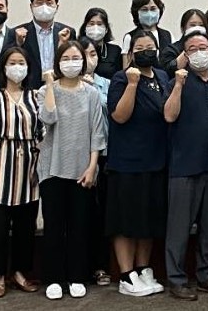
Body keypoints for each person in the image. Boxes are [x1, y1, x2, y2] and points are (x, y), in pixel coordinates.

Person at [162, 31, 208, 300]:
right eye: (192, 49)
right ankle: (176, 279)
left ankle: (206, 275)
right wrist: (179, 86)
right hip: (184, 165)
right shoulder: (175, 82)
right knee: (179, 227)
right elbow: (169, 116)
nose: (199, 52)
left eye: (203, 47)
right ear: (186, 54)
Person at [37, 40, 106, 300]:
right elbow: (48, 118)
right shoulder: (45, 90)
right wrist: (49, 83)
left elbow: (97, 132)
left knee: (79, 226)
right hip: (52, 168)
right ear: (57, 62)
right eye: (65, 58)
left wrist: (92, 166)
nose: (71, 63)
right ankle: (53, 278)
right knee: (54, 226)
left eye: (76, 58)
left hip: (82, 169)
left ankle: (77, 276)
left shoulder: (92, 93)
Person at [107, 31, 170, 297]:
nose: (146, 51)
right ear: (131, 53)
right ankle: (126, 274)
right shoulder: (121, 78)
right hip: (128, 162)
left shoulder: (163, 77)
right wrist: (132, 84)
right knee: (126, 220)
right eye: (140, 48)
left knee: (148, 220)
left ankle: (143, 269)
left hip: (157, 160)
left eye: (150, 46)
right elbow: (120, 116)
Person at [0, 47, 42, 298]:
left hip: (29, 163)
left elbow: (44, 128)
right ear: (4, 67)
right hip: (1, 162)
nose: (17, 67)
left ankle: (19, 272)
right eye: (12, 63)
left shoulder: (35, 96)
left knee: (25, 225)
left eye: (21, 63)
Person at [80, 37, 113, 288]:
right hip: (74, 157)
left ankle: (101, 266)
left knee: (101, 214)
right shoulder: (62, 84)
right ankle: (79, 267)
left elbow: (112, 113)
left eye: (92, 54)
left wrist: (93, 91)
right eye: (83, 54)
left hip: (102, 154)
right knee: (78, 215)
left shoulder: (107, 84)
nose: (88, 59)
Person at [17, 0, 77, 89]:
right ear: (31, 6)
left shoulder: (67, 32)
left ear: (56, 7)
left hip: (60, 87)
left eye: (49, 3)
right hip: (28, 89)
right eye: (39, 2)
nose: (44, 7)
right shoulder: (19, 33)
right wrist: (18, 44)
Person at [120, 0, 172, 64]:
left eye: (153, 9)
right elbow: (126, 66)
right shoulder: (129, 37)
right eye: (144, 10)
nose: (149, 13)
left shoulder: (168, 35)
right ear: (136, 12)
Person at [159, 9, 207, 77]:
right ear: (183, 28)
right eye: (193, 25)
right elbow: (166, 72)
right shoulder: (171, 49)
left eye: (201, 25)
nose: (197, 28)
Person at [79, 7, 122, 80]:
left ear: (106, 29)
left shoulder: (115, 50)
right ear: (85, 28)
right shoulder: (77, 48)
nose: (95, 27)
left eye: (99, 24)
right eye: (91, 24)